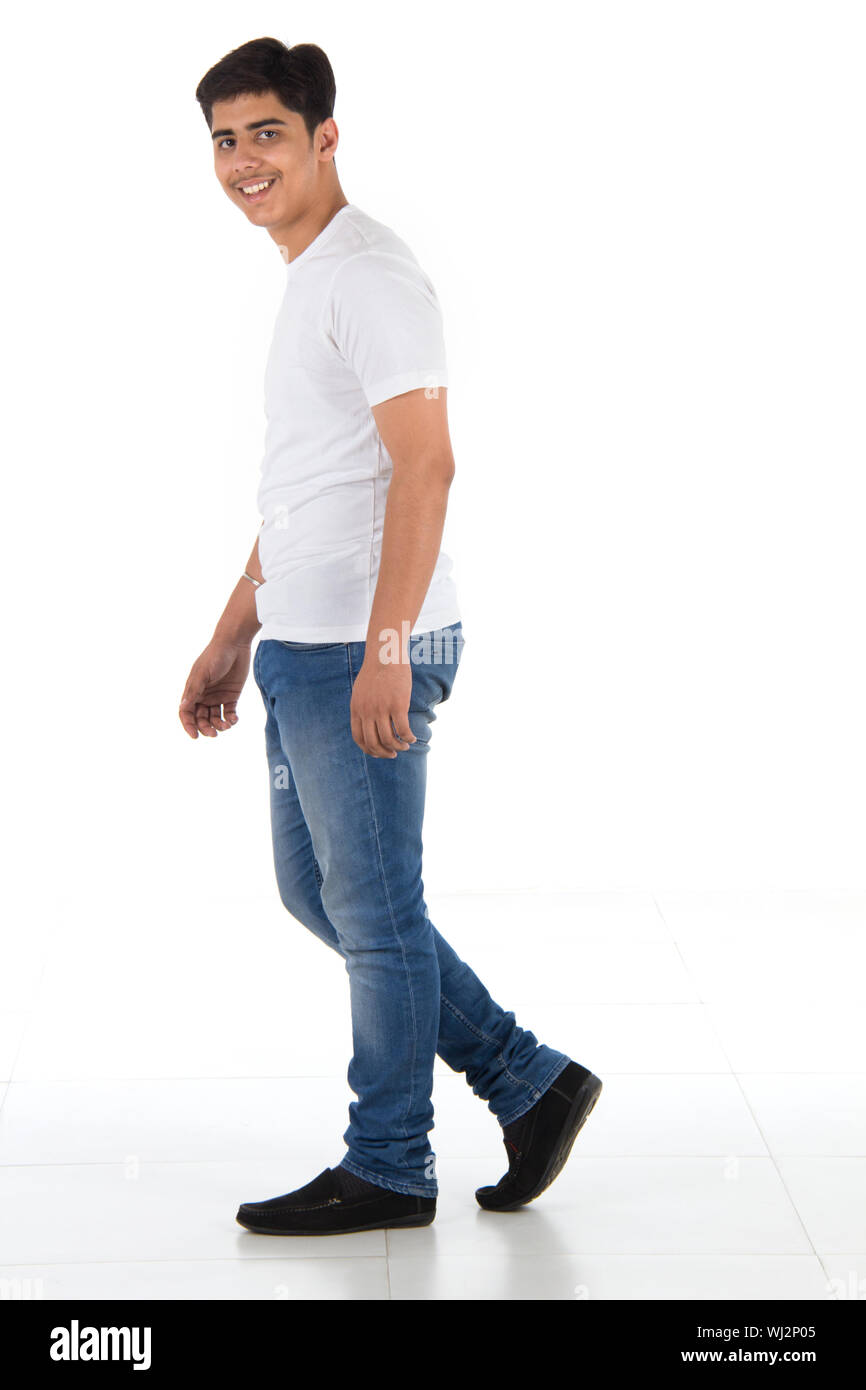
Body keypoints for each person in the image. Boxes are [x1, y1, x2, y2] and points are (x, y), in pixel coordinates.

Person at [179, 36, 602, 1236]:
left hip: (363, 652)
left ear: (323, 136)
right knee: (327, 898)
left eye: (265, 132)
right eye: (223, 139)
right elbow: (307, 490)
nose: (242, 161)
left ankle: (388, 1164)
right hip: (297, 645)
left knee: (372, 911)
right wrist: (228, 632)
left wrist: (387, 647)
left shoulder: (367, 272)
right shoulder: (305, 277)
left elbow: (428, 467)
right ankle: (529, 1080)